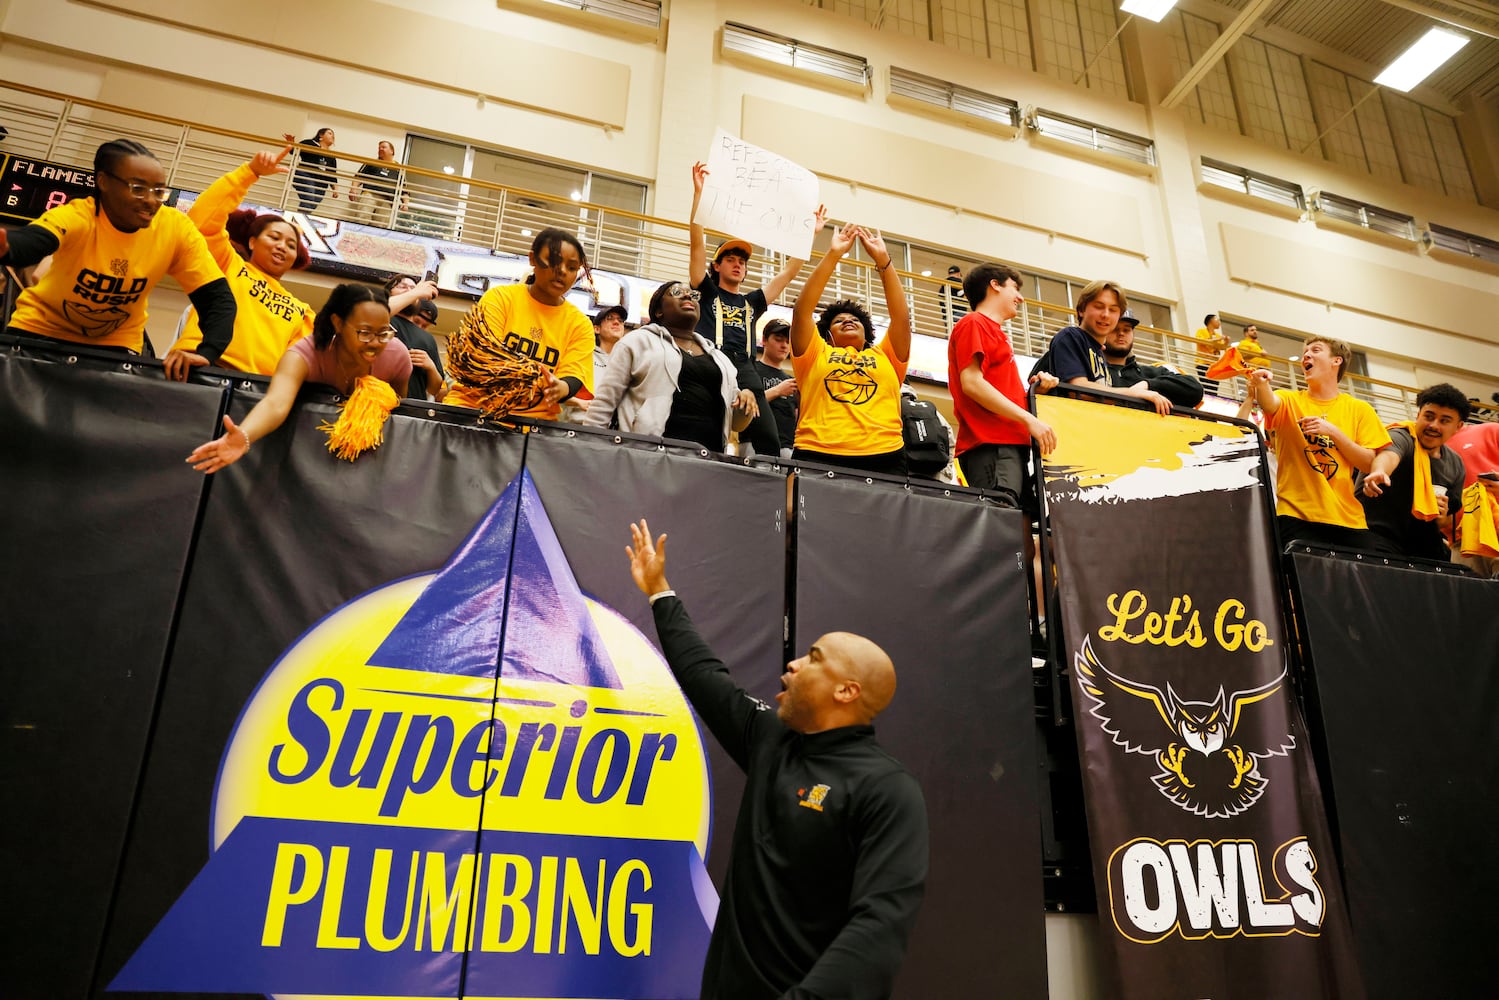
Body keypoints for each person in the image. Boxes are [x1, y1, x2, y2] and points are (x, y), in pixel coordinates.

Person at [624, 519, 928, 999]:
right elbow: (707, 677)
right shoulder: (772, 740)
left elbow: (879, 926)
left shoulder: (887, 790)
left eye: (813, 657)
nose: (795, 663)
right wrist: (659, 590)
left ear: (847, 691)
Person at [1, 138, 235, 364]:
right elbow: (33, 241)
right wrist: (8, 246)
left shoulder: (175, 228)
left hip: (116, 344)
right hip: (40, 331)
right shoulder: (78, 215)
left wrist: (207, 352)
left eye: (159, 191)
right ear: (103, 182)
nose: (151, 200)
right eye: (138, 189)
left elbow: (217, 298)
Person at [187, 283, 411, 473]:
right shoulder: (304, 354)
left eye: (383, 333)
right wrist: (244, 436)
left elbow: (401, 410)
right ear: (338, 323)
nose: (375, 343)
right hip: (302, 457)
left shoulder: (398, 357)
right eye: (364, 332)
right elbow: (276, 403)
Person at [689, 160, 825, 457]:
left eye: (742, 261)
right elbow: (696, 247)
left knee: (768, 441)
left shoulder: (752, 301)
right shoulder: (707, 291)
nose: (738, 264)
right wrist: (699, 196)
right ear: (717, 266)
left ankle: (763, 493)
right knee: (709, 432)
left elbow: (788, 273)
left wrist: (809, 235)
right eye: (731, 259)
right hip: (713, 361)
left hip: (746, 368)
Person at [164, 144, 313, 380]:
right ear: (252, 242)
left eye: (291, 245)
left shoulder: (302, 312)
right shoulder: (227, 264)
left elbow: (310, 361)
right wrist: (250, 172)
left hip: (253, 390)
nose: (282, 246)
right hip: (194, 368)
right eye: (274, 237)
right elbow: (201, 222)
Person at [790, 223, 913, 476]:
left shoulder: (886, 356)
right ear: (827, 334)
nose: (848, 321)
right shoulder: (815, 353)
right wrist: (833, 254)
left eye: (855, 320)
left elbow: (901, 318)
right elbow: (802, 311)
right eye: (839, 321)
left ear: (867, 332)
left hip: (885, 455)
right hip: (817, 452)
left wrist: (883, 261)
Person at [1249, 336, 1391, 549]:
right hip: (1296, 516)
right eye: (1305, 352)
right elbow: (1270, 404)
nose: (1307, 355)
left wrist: (1333, 432)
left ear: (1337, 361)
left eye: (1316, 350)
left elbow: (1368, 462)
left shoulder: (1360, 410)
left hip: (1348, 519)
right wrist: (1261, 383)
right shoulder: (1290, 399)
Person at [583, 281, 756, 452]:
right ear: (659, 311)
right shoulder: (637, 341)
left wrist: (745, 401)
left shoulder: (720, 359)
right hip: (648, 458)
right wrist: (590, 452)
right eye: (676, 292)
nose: (688, 295)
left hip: (709, 463)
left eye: (693, 295)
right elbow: (604, 404)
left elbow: (736, 424)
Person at [444, 227, 593, 420]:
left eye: (572, 267)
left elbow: (574, 375)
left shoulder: (580, 324)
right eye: (554, 261)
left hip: (533, 424)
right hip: (472, 411)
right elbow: (484, 359)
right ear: (532, 259)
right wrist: (538, 379)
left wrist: (562, 387)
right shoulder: (500, 298)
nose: (562, 271)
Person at [947, 262, 1057, 509]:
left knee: (1022, 532)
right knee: (1001, 527)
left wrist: (1036, 390)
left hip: (1010, 446)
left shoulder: (995, 332)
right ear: (994, 285)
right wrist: (1029, 420)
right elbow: (972, 383)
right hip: (991, 444)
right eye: (1014, 288)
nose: (1020, 297)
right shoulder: (974, 322)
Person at [1356, 384, 1469, 561]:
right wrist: (1379, 471)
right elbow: (1390, 453)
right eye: (1429, 416)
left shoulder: (1455, 463)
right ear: (1418, 415)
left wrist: (1441, 514)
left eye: (1444, 420)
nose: (1434, 425)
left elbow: (1447, 520)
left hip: (1421, 546)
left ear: (1458, 427)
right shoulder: (1403, 435)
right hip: (1376, 537)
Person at [1029, 280, 1172, 416]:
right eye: (1098, 306)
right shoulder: (1071, 336)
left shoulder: (1099, 353)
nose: (1105, 315)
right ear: (1081, 310)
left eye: (1113, 310)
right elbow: (1079, 389)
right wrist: (1134, 393)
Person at [1102, 310, 1203, 410]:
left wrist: (1147, 385)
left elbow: (1195, 389)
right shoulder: (1094, 371)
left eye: (1127, 330)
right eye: (1115, 329)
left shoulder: (1151, 372)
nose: (1121, 333)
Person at [383, 273, 445, 400]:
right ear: (388, 293)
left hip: (412, 412)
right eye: (403, 287)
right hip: (373, 403)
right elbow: (378, 310)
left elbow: (434, 389)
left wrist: (430, 367)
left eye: (413, 287)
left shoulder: (428, 338)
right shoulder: (380, 318)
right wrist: (416, 292)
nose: (410, 290)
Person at [1449, 421, 1499, 577]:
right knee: (1469, 598)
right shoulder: (1423, 449)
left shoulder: (1490, 430)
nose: (1434, 425)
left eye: (1445, 419)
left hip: (1495, 529)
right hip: (1462, 542)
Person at [754, 319, 799, 457]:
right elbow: (745, 406)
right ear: (764, 340)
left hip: (788, 447)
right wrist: (777, 391)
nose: (784, 346)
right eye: (778, 339)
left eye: (787, 342)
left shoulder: (791, 380)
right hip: (755, 444)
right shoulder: (751, 370)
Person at [349, 140, 400, 227]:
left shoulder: (399, 168)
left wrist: (405, 203)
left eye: (383, 147)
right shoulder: (371, 162)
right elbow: (358, 177)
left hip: (388, 200)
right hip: (370, 194)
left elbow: (404, 189)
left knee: (381, 224)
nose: (380, 149)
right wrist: (353, 189)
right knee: (362, 218)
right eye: (379, 148)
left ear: (392, 151)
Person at [288, 128, 339, 212]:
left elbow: (332, 174)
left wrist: (335, 189)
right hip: (305, 174)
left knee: (311, 205)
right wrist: (291, 143)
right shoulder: (310, 143)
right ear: (321, 135)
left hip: (321, 184)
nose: (332, 136)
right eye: (329, 133)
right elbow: (295, 151)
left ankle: (299, 219)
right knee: (309, 198)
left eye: (333, 135)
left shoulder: (332, 156)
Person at [1195, 313, 1229, 393]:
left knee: (1214, 388)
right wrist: (1218, 339)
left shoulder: (1217, 335)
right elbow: (1202, 341)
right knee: (1206, 386)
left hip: (1214, 364)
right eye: (1217, 320)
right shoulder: (1201, 331)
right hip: (1203, 362)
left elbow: (1221, 348)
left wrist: (1226, 342)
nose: (1219, 322)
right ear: (1210, 321)